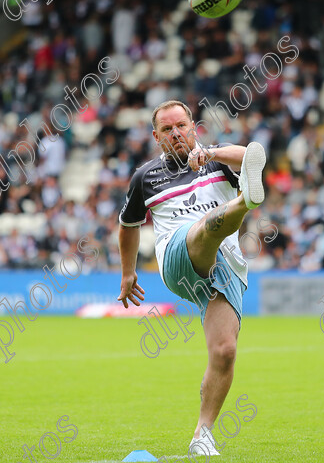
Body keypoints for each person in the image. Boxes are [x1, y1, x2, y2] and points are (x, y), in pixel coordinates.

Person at [117, 100, 266, 456]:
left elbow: (251, 155)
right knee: (203, 229)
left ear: (193, 127)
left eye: (181, 126)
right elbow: (127, 227)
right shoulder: (146, 176)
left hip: (224, 267)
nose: (175, 134)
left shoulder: (216, 159)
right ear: (156, 137)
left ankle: (203, 433)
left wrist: (209, 151)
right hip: (177, 258)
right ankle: (246, 204)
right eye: (167, 130)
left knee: (225, 351)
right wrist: (127, 272)